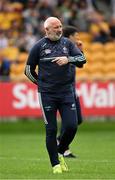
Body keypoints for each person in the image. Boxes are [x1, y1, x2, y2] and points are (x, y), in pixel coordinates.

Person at [24, 17, 86, 174]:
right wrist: (41, 84)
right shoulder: (38, 46)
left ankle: (60, 151)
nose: (59, 29)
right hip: (47, 94)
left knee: (72, 126)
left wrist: (68, 59)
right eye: (56, 27)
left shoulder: (67, 43)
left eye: (60, 26)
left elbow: (82, 59)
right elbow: (28, 70)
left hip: (66, 93)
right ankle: (55, 165)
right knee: (51, 130)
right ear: (47, 30)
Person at [57, 25, 84, 158]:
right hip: (63, 91)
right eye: (76, 36)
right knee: (70, 122)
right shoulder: (61, 48)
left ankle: (60, 140)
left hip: (72, 90)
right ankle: (63, 147)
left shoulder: (73, 49)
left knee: (78, 120)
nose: (78, 38)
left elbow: (81, 63)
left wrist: (80, 50)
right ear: (69, 37)